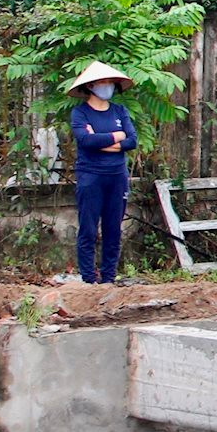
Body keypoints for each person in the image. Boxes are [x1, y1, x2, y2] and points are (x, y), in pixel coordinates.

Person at [67, 60, 137, 284]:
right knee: (88, 228)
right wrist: (118, 136)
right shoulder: (80, 113)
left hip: (117, 176)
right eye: (102, 82)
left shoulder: (119, 110)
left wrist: (103, 141)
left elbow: (133, 140)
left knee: (113, 229)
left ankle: (109, 277)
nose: (107, 85)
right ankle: (88, 277)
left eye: (110, 81)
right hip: (90, 176)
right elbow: (86, 140)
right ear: (90, 86)